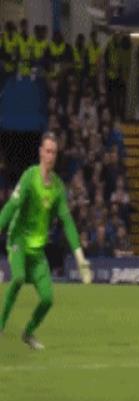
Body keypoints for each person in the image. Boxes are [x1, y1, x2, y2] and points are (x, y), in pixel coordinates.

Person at [0, 132, 91, 350]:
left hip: (37, 250)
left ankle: (28, 333)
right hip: (19, 240)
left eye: (54, 152)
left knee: (48, 299)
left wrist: (80, 257)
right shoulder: (29, 177)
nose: (50, 156)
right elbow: (11, 207)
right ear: (41, 152)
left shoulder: (58, 187)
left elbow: (67, 222)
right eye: (47, 151)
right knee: (18, 278)